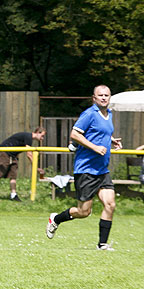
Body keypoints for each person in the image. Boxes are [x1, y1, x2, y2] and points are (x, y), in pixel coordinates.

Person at [45, 85, 122, 250]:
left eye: (106, 95)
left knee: (110, 204)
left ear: (110, 97)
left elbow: (101, 133)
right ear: (94, 98)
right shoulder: (89, 114)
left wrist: (111, 140)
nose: (103, 98)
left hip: (102, 169)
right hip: (86, 170)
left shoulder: (109, 114)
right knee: (83, 212)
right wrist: (95, 147)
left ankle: (102, 244)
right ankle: (56, 219)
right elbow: (75, 134)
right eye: (100, 95)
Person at [0, 127, 46, 201]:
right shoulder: (28, 136)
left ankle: (13, 195)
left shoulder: (28, 138)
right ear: (38, 132)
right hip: (4, 152)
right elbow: (29, 154)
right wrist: (36, 167)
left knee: (13, 176)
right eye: (42, 136)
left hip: (13, 156)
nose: (42, 138)